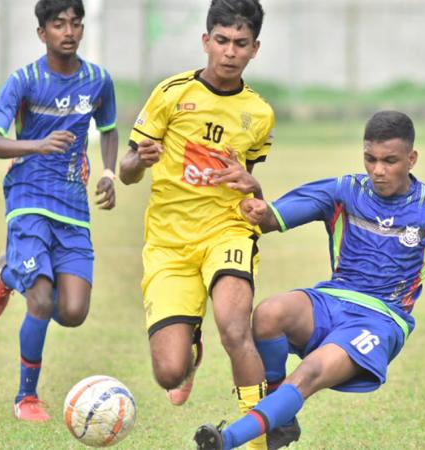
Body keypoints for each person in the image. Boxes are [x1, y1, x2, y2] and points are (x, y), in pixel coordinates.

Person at [193, 111, 425, 449]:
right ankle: (281, 420)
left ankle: (228, 439)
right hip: (332, 299)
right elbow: (269, 219)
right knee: (268, 314)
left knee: (308, 373)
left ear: (411, 159)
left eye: (390, 161)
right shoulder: (344, 191)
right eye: (371, 159)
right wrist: (255, 195)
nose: (378, 170)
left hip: (381, 320)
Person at [119, 1, 275, 448]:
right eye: (221, 41)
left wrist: (254, 185)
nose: (229, 52)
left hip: (227, 230)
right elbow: (129, 169)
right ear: (206, 41)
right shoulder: (170, 94)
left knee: (235, 325)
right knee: (168, 372)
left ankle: (256, 438)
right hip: (168, 244)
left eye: (240, 44)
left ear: (254, 49)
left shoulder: (259, 114)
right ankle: (190, 344)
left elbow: (253, 189)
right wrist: (136, 161)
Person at [0, 0, 118, 422]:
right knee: (40, 298)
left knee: (73, 312)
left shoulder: (98, 80)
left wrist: (108, 173)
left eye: (75, 23)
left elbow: (109, 129)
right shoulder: (24, 80)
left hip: (73, 205)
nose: (69, 31)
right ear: (43, 33)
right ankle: (27, 397)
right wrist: (35, 145)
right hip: (27, 197)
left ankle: (9, 272)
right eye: (58, 24)